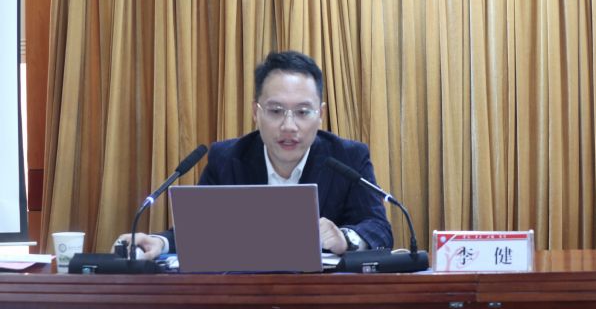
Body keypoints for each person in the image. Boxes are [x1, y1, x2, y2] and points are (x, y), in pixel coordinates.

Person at [114, 51, 393, 259]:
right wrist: (160, 242)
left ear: (320, 115)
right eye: (275, 111)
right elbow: (200, 232)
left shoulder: (348, 158)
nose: (289, 126)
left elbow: (379, 229)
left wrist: (345, 238)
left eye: (302, 112)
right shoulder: (227, 158)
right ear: (255, 113)